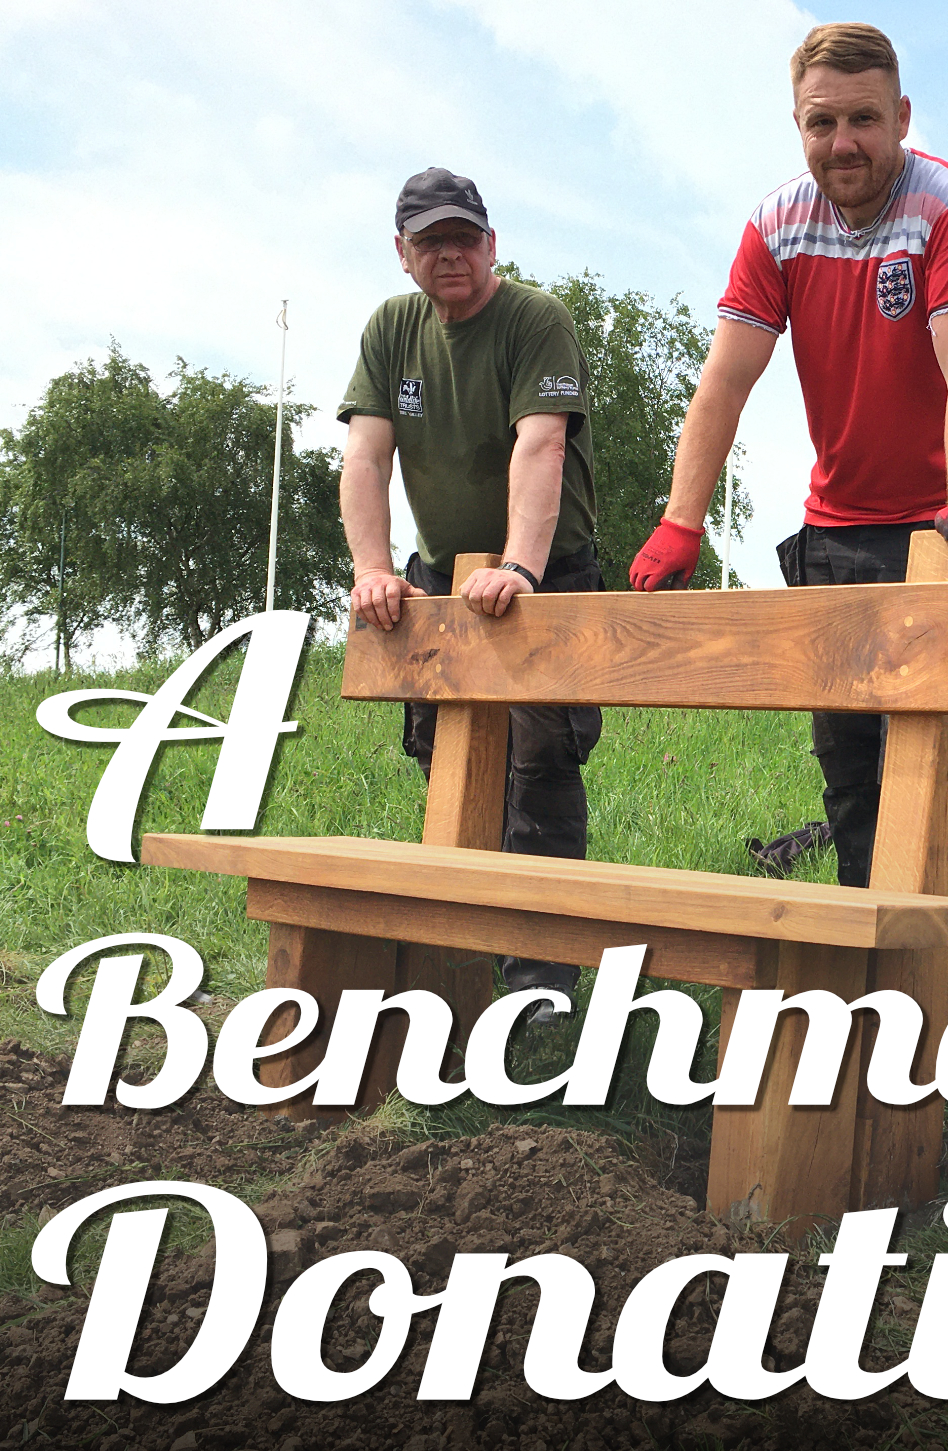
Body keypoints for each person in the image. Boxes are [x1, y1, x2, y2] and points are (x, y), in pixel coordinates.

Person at [629, 22, 948, 889]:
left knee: (921, 753)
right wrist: (679, 523)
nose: (844, 144)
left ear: (902, 116)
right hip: (834, 524)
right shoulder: (776, 225)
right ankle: (857, 961)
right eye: (821, 122)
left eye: (864, 120)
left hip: (937, 520)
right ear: (797, 125)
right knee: (846, 765)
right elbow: (724, 383)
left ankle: (918, 968)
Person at [338, 167, 603, 1012]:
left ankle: (539, 982)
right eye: (430, 241)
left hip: (544, 574)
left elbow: (542, 445)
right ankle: (464, 966)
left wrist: (520, 568)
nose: (449, 253)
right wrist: (373, 570)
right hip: (439, 578)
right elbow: (367, 458)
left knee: (540, 762)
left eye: (463, 237)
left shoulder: (534, 319)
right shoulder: (391, 330)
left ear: (492, 244)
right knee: (445, 760)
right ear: (402, 254)